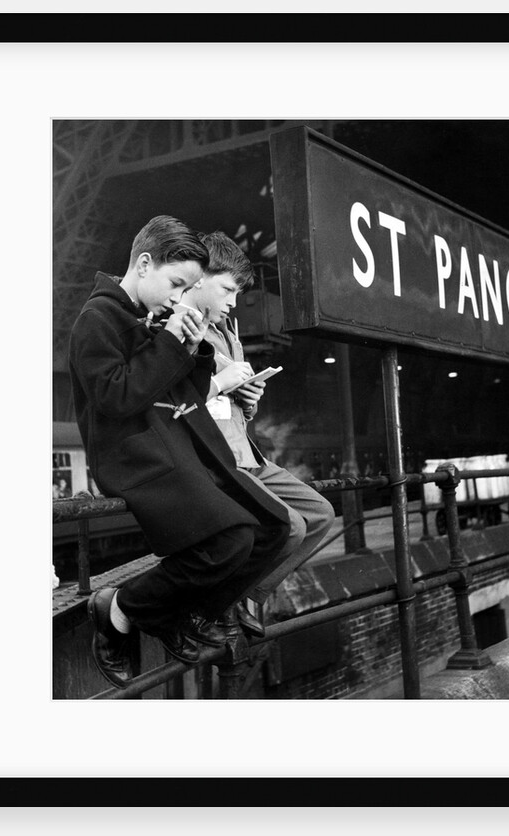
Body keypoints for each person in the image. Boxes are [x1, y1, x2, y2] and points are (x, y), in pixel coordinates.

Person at [68, 215, 291, 689]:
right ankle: (122, 611)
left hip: (170, 446)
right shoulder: (98, 319)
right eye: (175, 284)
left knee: (273, 528)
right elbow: (118, 398)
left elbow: (184, 392)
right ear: (144, 264)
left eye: (186, 288)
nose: (177, 297)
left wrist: (195, 348)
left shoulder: (145, 315)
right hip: (135, 458)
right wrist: (172, 341)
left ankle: (179, 614)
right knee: (232, 540)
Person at [178, 231, 335, 634]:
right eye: (228, 289)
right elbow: (176, 403)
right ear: (198, 278)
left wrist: (249, 398)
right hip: (217, 460)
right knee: (290, 526)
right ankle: (219, 605)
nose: (233, 302)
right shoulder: (178, 327)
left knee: (320, 514)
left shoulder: (228, 331)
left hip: (248, 454)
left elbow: (234, 411)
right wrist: (221, 382)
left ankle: (244, 594)